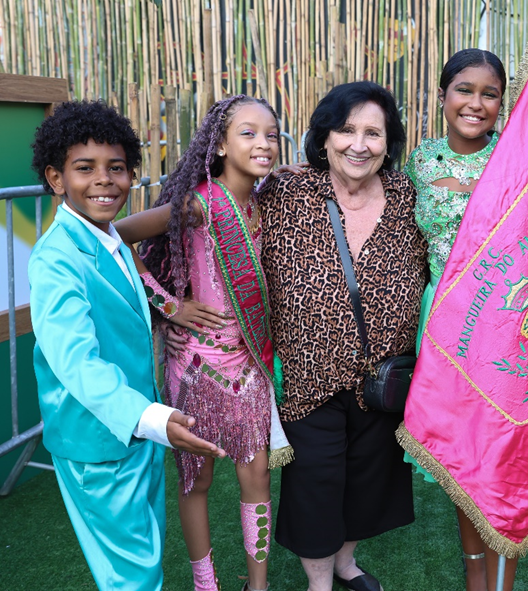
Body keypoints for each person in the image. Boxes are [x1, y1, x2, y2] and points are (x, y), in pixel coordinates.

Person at [403, 48, 528, 591]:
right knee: (463, 454)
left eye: (490, 95)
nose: (476, 103)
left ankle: (504, 580)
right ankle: (475, 578)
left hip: (506, 325)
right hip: (442, 323)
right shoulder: (418, 162)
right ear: (442, 95)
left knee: (505, 453)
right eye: (464, 90)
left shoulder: (520, 161)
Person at [28, 100, 224, 591]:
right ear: (55, 178)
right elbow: (75, 360)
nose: (103, 180)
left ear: (132, 173)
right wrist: (152, 418)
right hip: (101, 441)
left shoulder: (108, 237)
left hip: (136, 430)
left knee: (144, 557)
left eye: (116, 168)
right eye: (84, 168)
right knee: (132, 575)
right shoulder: (57, 259)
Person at [116, 95, 291, 591]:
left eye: (272, 134)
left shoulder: (259, 200)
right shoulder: (198, 203)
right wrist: (171, 306)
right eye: (249, 133)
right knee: (197, 480)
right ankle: (206, 583)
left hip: (249, 363)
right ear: (218, 144)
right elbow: (119, 236)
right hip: (195, 363)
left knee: (257, 475)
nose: (263, 143)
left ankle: (257, 585)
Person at [258, 81, 425, 591]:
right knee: (315, 481)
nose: (359, 144)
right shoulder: (286, 191)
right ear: (324, 136)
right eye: (346, 129)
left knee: (369, 478)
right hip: (309, 376)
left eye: (373, 132)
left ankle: (346, 563)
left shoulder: (406, 197)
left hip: (383, 379)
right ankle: (319, 581)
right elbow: (218, 221)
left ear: (389, 142)